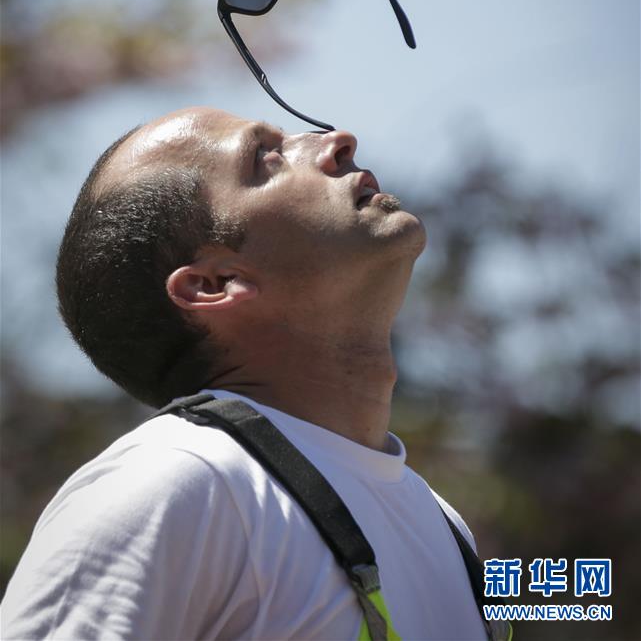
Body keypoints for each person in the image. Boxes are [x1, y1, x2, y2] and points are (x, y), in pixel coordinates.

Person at [1, 106, 488, 640]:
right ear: (215, 283)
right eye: (265, 159)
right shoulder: (178, 481)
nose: (339, 141)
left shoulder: (444, 524)